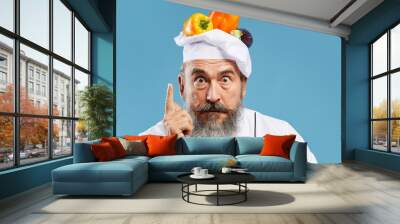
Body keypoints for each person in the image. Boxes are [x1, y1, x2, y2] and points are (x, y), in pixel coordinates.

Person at [140, 26, 317, 163]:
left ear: (243, 86)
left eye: (225, 79)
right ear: (182, 86)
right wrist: (170, 145)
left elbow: (312, 190)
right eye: (200, 80)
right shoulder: (155, 137)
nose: (212, 96)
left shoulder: (280, 132)